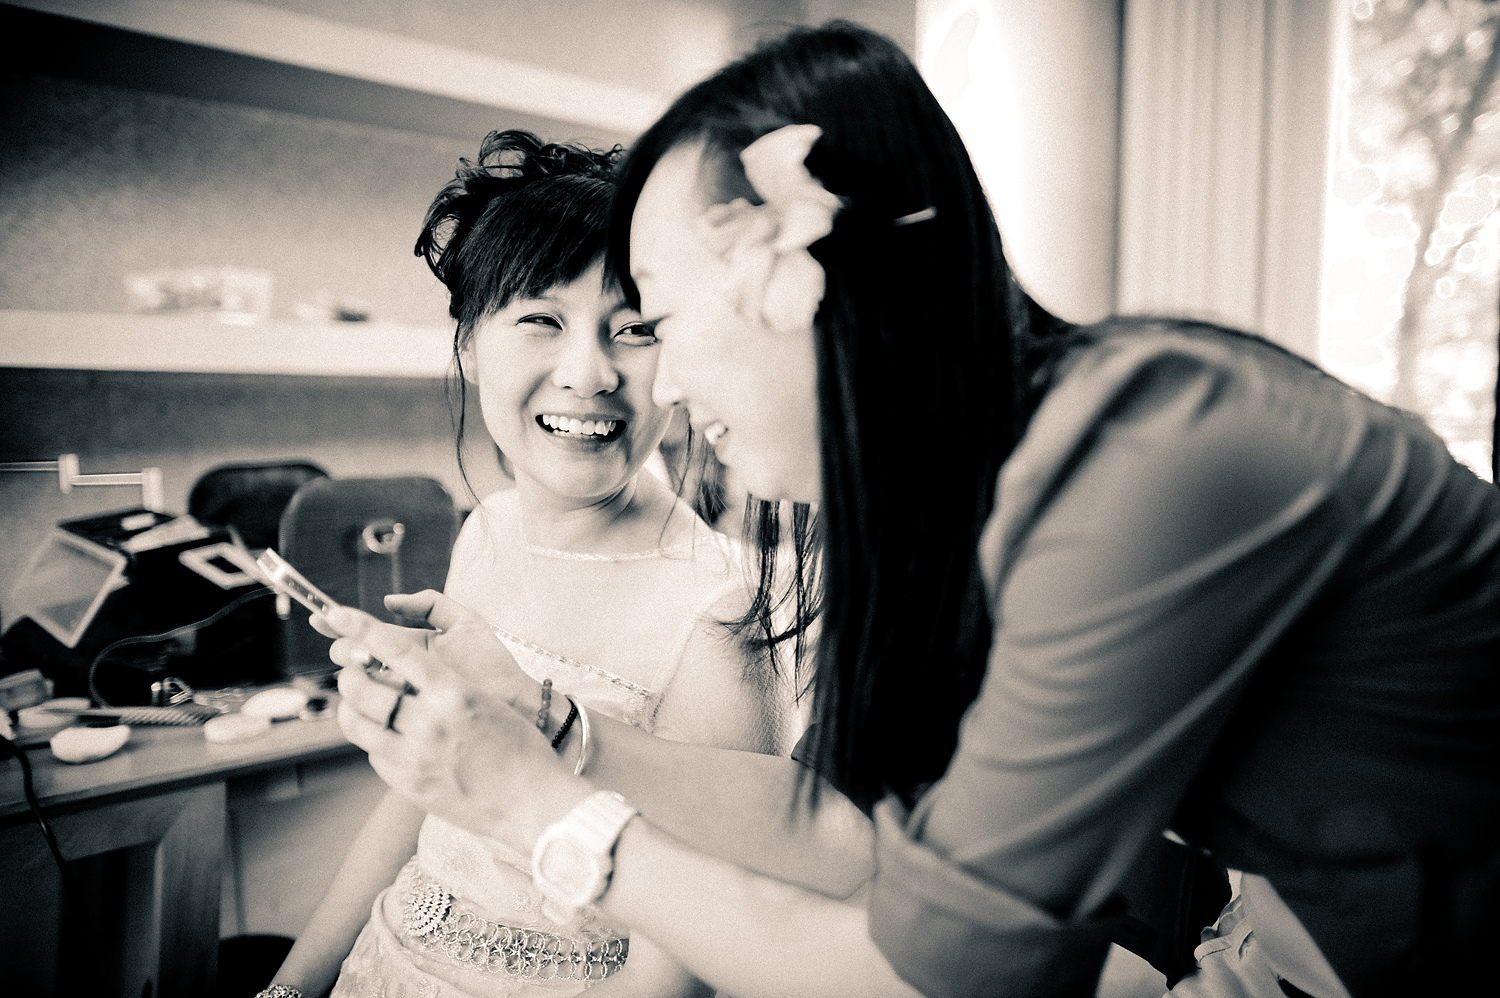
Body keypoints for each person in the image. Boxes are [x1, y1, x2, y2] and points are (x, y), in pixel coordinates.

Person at [322, 23, 1500, 998]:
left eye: (657, 322)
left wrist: (540, 811)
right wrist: (550, 723)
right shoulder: (968, 490)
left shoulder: (1144, 451)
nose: (659, 386)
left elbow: (951, 973)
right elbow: (842, 827)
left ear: (806, 283)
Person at [263, 129, 793, 998]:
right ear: (470, 344)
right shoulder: (485, 530)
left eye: (635, 330)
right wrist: (291, 986)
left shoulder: (721, 610)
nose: (588, 373)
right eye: (541, 319)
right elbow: (423, 794)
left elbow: (678, 974)